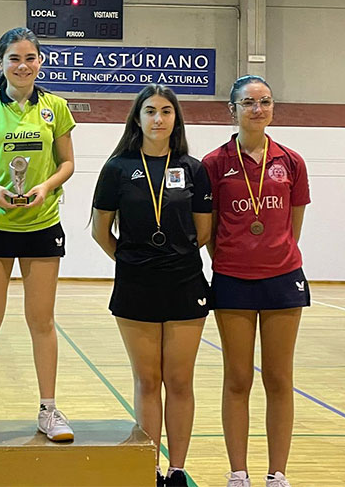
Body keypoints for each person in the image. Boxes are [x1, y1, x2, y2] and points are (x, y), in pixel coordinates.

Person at [0, 27, 76, 443]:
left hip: (42, 225)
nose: (23, 66)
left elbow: (67, 163)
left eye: (30, 58)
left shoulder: (55, 107)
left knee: (41, 321)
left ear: (40, 62)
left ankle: (49, 409)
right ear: (0, 63)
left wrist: (45, 187)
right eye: (14, 59)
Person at [91, 84, 212, 487]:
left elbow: (203, 230)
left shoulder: (193, 169)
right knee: (147, 380)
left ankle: (177, 470)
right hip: (135, 286)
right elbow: (100, 231)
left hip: (185, 283)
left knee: (179, 381)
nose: (158, 119)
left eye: (166, 111)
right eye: (150, 111)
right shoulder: (117, 169)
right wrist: (131, 262)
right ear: (137, 118)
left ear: (176, 119)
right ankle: (150, 469)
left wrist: (170, 258)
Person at [202, 75, 310, 487]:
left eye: (265, 102)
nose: (258, 109)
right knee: (238, 378)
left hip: (283, 280)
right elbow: (209, 229)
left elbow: (292, 225)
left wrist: (274, 257)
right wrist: (232, 261)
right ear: (232, 110)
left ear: (272, 108)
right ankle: (238, 472)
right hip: (233, 281)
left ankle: (277, 473)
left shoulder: (291, 161)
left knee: (279, 378)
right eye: (249, 103)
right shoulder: (214, 163)